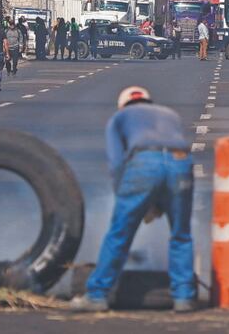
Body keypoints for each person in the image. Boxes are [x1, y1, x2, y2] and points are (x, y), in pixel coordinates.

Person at [71, 86, 196, 313]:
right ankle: (184, 297)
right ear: (149, 101)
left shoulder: (119, 118)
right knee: (181, 234)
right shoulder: (170, 114)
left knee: (119, 233)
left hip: (144, 161)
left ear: (122, 105)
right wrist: (159, 202)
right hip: (181, 162)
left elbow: (117, 164)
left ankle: (97, 295)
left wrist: (127, 197)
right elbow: (170, 153)